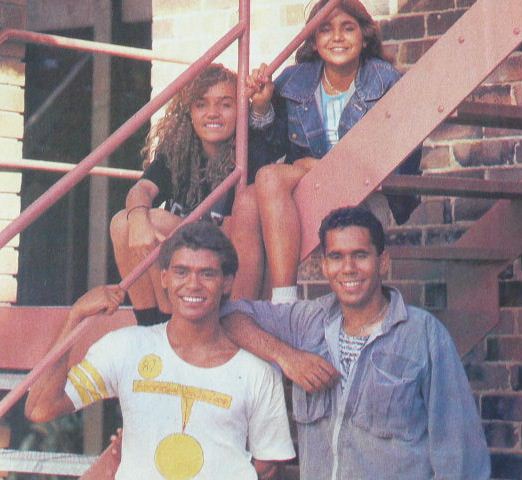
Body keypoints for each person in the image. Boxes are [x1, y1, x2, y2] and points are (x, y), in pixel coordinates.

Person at [222, 206, 491, 480]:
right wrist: (288, 357)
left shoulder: (424, 335)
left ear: (382, 262)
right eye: (336, 257)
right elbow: (227, 315)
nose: (348, 268)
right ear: (324, 266)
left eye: (360, 255)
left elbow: (462, 458)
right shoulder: (306, 322)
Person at [25, 222, 295, 479]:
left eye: (207, 273)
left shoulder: (256, 371)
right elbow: (40, 408)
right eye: (181, 272)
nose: (193, 284)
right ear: (164, 278)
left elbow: (268, 466)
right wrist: (75, 317)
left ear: (227, 282)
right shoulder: (126, 347)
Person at [247, 0, 421, 303]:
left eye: (348, 27)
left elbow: (398, 157)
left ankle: (267, 306)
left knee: (276, 181)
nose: (337, 37)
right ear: (314, 41)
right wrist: (261, 107)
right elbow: (269, 149)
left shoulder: (386, 81)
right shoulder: (294, 80)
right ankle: (273, 304)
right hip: (310, 187)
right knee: (251, 199)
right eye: (325, 29)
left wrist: (320, 165)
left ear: (364, 35)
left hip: (365, 193)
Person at [111, 64, 266, 326]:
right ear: (189, 113)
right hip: (185, 267)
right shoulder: (179, 151)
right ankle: (150, 323)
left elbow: (237, 237)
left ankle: (168, 322)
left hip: (221, 268)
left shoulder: (248, 154)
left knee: (156, 221)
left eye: (225, 105)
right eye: (201, 105)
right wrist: (137, 220)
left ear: (241, 110)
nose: (213, 114)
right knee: (122, 223)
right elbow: (141, 190)